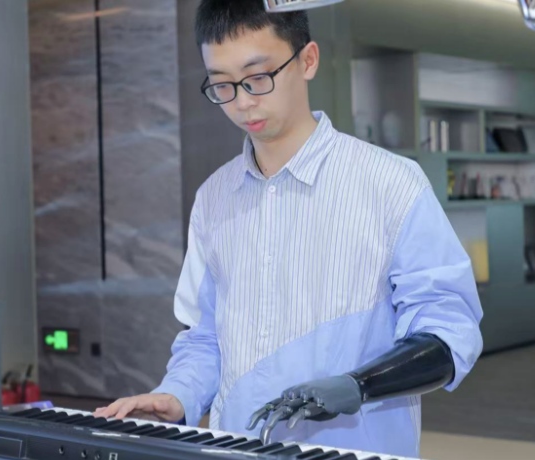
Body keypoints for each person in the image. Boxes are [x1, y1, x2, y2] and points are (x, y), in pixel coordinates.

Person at [94, 1, 483, 456]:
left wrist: (359, 384)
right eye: (222, 85)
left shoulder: (392, 184)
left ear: (308, 60)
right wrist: (177, 396)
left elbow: (449, 331)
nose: (242, 102)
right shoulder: (214, 198)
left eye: (258, 77)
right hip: (238, 448)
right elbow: (205, 336)